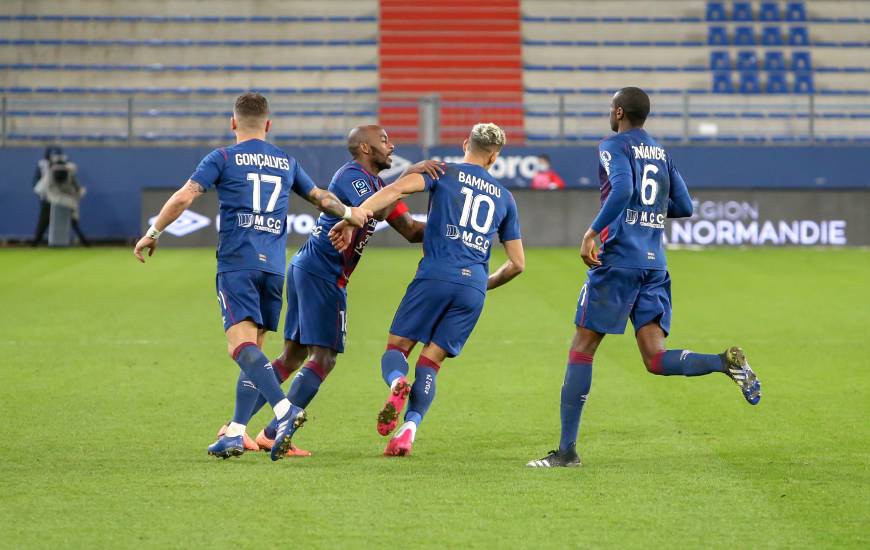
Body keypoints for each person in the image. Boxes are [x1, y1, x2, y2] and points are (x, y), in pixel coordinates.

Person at [526, 87, 761, 468]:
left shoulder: (613, 145)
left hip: (618, 260)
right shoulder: (661, 152)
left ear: (619, 112)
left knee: (582, 348)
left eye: (610, 108)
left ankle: (567, 452)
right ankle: (724, 363)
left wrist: (592, 232)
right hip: (654, 265)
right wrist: (648, 208)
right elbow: (684, 205)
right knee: (655, 358)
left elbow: (623, 188)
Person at [132, 92, 372, 461]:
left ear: (233, 123)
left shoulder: (223, 157)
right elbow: (320, 197)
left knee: (239, 347)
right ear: (268, 124)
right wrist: (351, 213)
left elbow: (184, 197)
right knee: (255, 352)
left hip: (237, 262)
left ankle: (284, 409)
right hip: (273, 268)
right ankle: (237, 432)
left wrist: (154, 232)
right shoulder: (285, 160)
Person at [211, 125, 444, 457]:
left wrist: (454, 229)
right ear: (364, 148)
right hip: (323, 274)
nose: (391, 146)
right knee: (325, 358)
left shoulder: (380, 186)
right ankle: (276, 429)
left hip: (310, 269)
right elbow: (369, 208)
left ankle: (238, 428)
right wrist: (406, 178)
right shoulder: (353, 176)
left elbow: (409, 230)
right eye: (383, 141)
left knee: (291, 357)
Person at [330, 122, 525, 457]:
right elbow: (517, 263)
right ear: (494, 157)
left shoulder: (442, 172)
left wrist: (354, 216)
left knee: (397, 350)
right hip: (473, 287)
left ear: (466, 143)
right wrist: (484, 284)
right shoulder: (505, 198)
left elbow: (393, 193)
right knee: (432, 363)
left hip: (436, 275)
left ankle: (395, 383)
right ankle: (408, 430)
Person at [32, 145, 89, 246]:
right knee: (45, 222)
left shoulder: (68, 171)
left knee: (71, 221)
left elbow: (38, 188)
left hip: (61, 201)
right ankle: (35, 243)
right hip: (54, 201)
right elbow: (39, 188)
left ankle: (35, 244)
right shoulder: (51, 172)